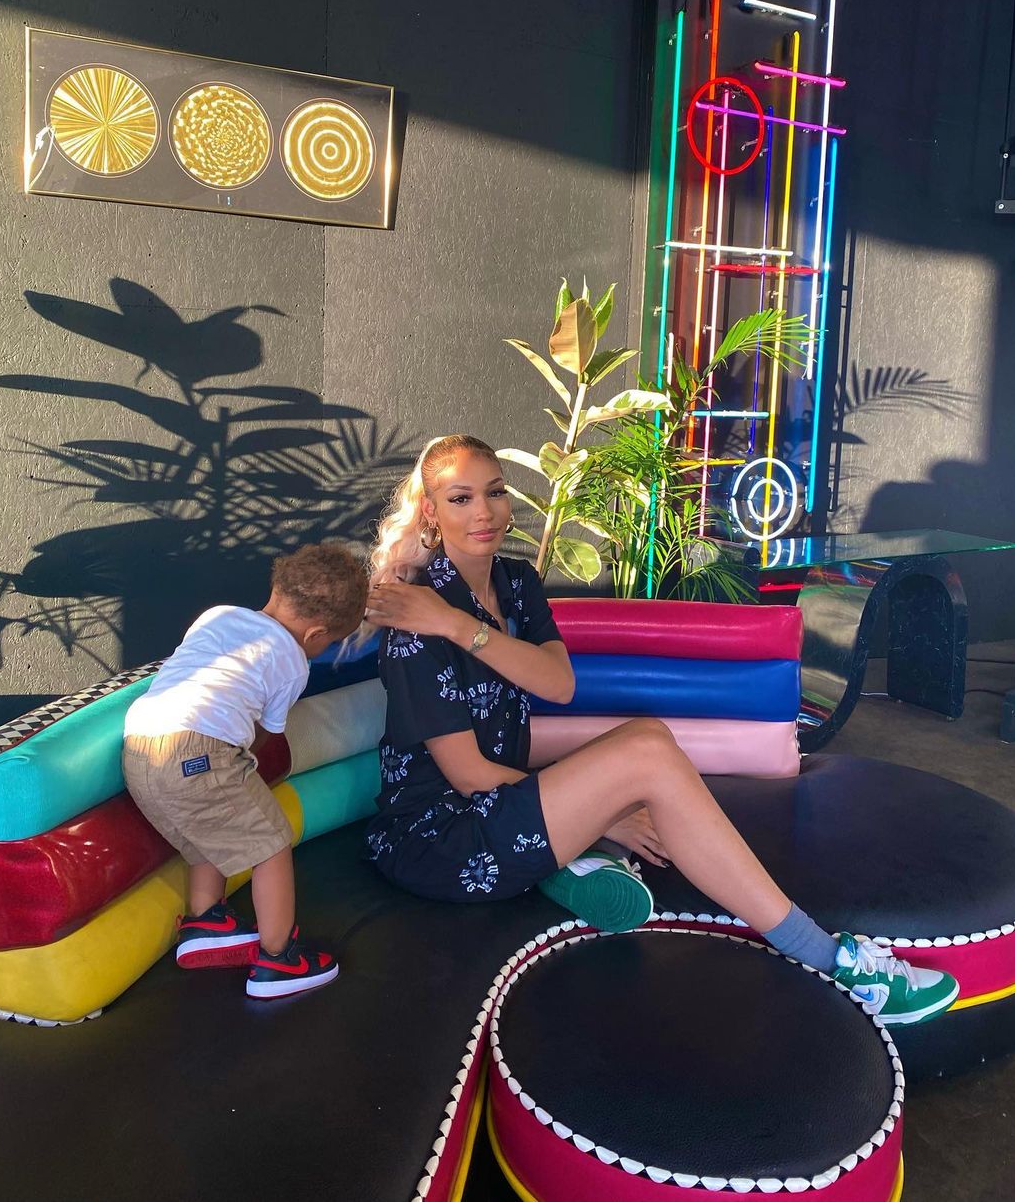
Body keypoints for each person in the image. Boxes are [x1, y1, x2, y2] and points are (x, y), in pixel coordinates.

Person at [362, 435, 959, 1026]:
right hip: (442, 837)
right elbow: (467, 775)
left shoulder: (514, 581)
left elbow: (558, 685)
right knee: (647, 749)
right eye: (460, 498)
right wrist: (604, 817)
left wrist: (460, 626)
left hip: (501, 803)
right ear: (430, 512)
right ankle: (831, 958)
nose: (485, 512)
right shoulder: (416, 621)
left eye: (494, 492)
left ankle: (573, 863)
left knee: (647, 750)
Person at [123, 542, 367, 1000]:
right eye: (330, 642)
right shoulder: (292, 660)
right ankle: (279, 957)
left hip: (138, 746)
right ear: (316, 634)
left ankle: (206, 921)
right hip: (198, 749)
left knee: (207, 831)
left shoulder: (218, 616)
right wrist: (239, 763)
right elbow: (263, 733)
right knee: (271, 844)